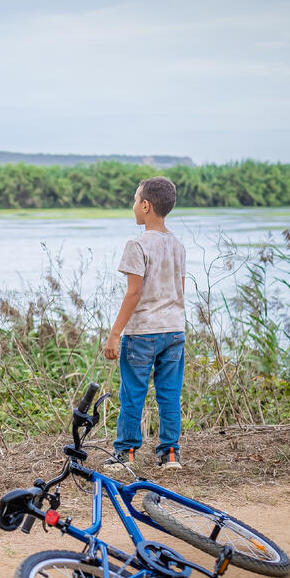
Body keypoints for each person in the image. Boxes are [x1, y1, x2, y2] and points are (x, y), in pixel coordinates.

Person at [103, 177, 186, 471]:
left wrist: (114, 335)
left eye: (136, 200)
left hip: (142, 334)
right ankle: (170, 454)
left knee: (132, 394)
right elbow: (180, 288)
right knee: (169, 395)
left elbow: (134, 293)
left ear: (146, 206)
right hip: (175, 330)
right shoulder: (177, 244)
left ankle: (125, 453)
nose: (134, 206)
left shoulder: (137, 245)